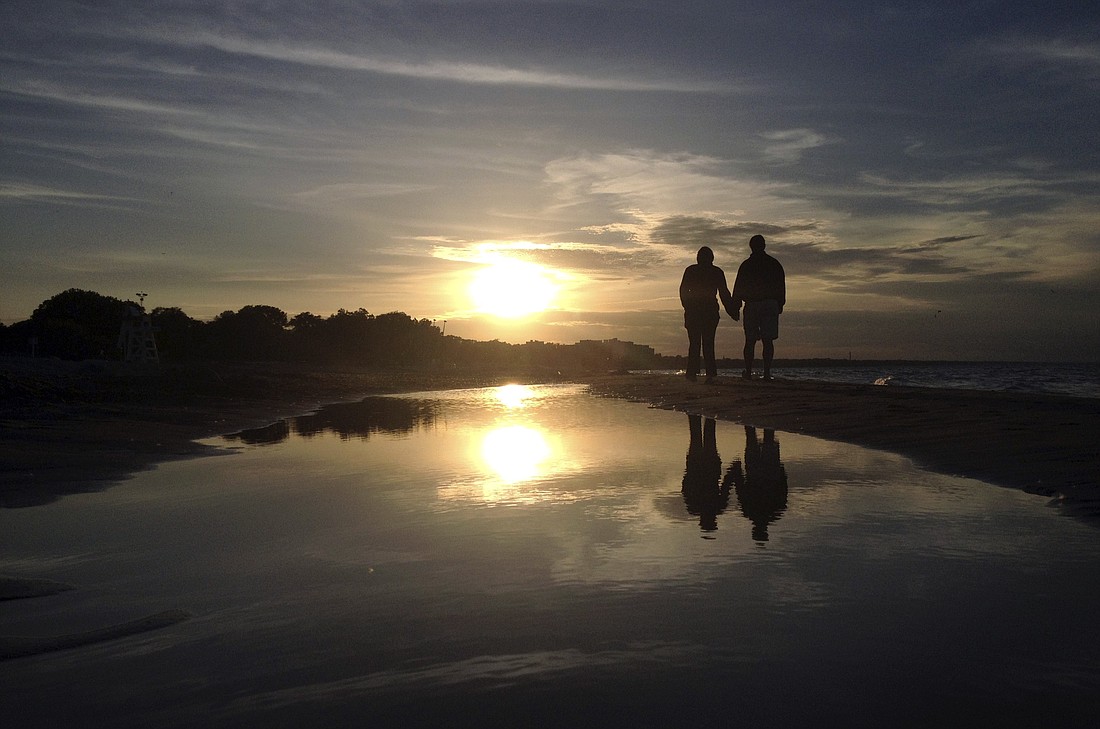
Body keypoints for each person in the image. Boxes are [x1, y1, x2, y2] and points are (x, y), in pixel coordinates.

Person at [679, 246, 737, 383]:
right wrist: (731, 310)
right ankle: (710, 374)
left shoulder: (691, 270)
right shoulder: (716, 272)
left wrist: (687, 306)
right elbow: (724, 293)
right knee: (708, 343)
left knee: (694, 343)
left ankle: (692, 373)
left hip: (695, 311)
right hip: (708, 311)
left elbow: (682, 291)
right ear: (712, 258)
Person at [731, 235, 785, 381]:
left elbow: (738, 288)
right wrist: (780, 303)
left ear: (751, 246)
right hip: (769, 303)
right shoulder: (774, 264)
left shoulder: (746, 265)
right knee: (768, 340)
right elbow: (781, 285)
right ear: (764, 245)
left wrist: (735, 306)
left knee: (750, 340)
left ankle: (749, 372)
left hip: (753, 304)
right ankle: (766, 373)